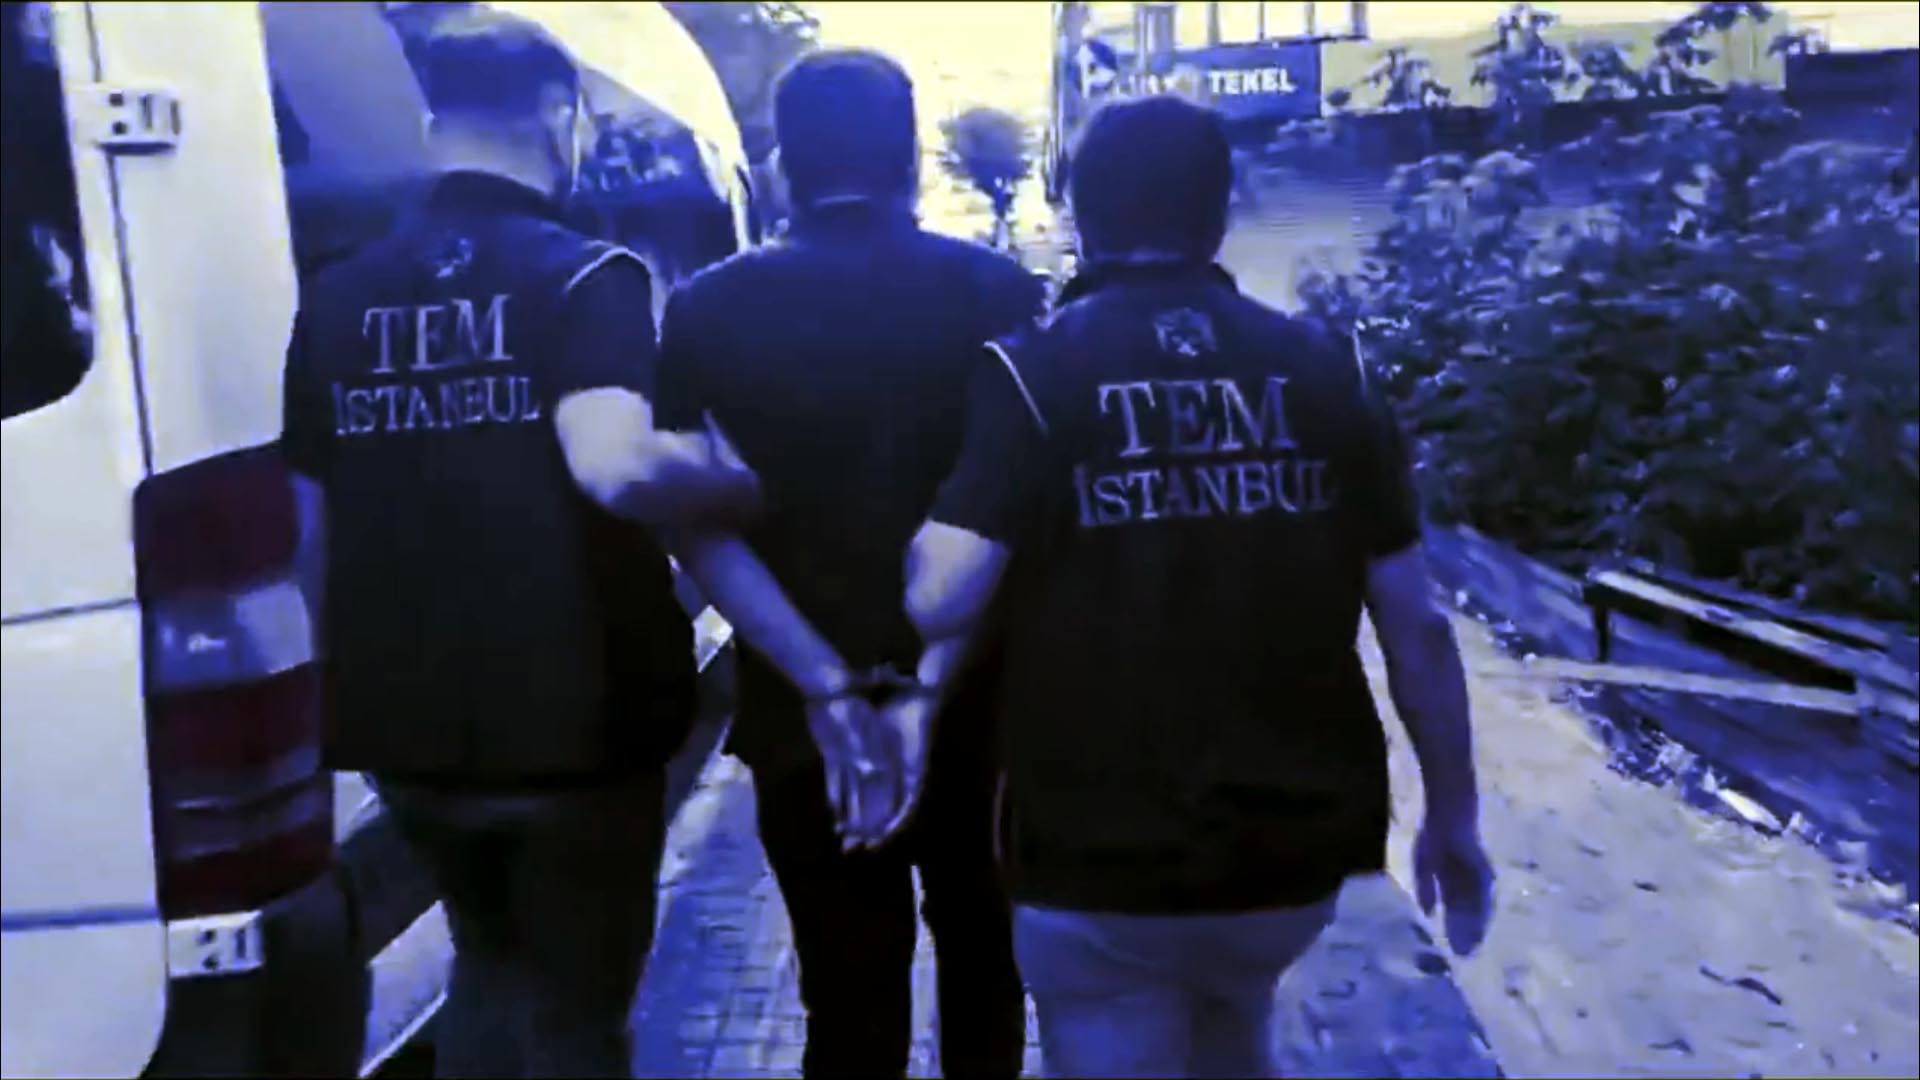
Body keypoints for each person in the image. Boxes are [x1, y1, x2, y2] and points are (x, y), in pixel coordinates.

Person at [863, 95, 1496, 1079]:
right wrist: (1452, 814)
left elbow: (940, 597)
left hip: (1097, 853)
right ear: (1222, 209)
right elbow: (1417, 626)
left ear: (1079, 214)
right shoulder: (1328, 371)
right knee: (1233, 1034)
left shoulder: (1034, 377)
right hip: (1291, 850)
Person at [277, 10, 760, 1077]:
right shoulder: (588, 278)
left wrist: (336, 686)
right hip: (575, 721)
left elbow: (307, 525)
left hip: (408, 728)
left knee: (487, 967)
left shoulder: (336, 298)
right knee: (579, 1011)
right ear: (559, 116)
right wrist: (734, 478)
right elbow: (616, 465)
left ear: (434, 121)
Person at [657, 48, 1044, 1080]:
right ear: (910, 155)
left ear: (782, 163)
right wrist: (926, 681)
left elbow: (693, 523)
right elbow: (1023, 512)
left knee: (845, 996)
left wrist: (826, 684)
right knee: (986, 969)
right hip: (980, 710)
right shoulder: (995, 292)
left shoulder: (706, 309)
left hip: (804, 721)